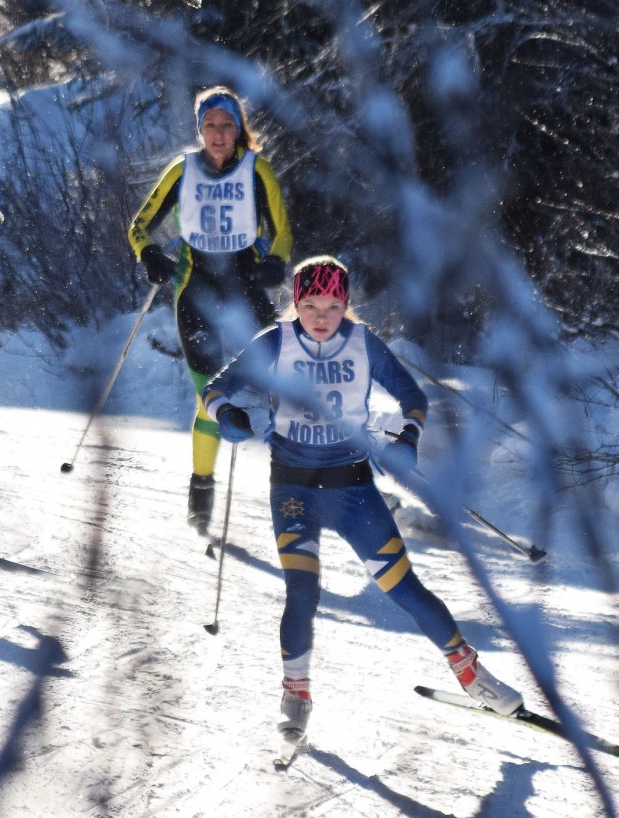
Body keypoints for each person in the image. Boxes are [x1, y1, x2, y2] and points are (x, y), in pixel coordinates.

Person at [201, 255, 523, 736]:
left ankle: (471, 672)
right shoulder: (275, 344)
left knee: (403, 587)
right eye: (310, 305)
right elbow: (216, 386)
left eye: (332, 305)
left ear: (347, 304)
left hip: (351, 487)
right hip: (293, 488)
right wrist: (226, 413)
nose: (322, 316)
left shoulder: (363, 344)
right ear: (295, 302)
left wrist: (407, 439)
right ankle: (296, 693)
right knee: (302, 592)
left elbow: (411, 397)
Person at [128, 85, 293, 537]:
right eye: (210, 126)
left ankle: (298, 485)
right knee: (211, 397)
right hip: (195, 294)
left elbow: (281, 231)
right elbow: (139, 225)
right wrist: (151, 256)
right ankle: (201, 489)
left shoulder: (258, 170)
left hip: (248, 292)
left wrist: (276, 262)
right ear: (199, 129)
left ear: (238, 129)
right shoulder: (181, 170)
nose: (218, 134)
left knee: (274, 390)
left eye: (226, 125)